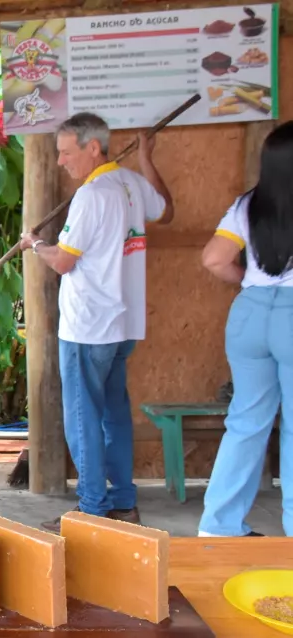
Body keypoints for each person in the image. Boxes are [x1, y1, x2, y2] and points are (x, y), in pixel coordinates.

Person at [19, 112, 174, 531]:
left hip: (88, 327)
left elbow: (65, 261)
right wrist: (146, 159)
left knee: (84, 416)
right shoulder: (132, 184)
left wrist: (35, 246)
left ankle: (91, 509)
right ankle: (123, 500)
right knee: (113, 414)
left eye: (67, 153)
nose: (61, 162)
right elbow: (167, 210)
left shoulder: (91, 195)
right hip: (122, 326)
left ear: (93, 148)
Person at [198, 121, 293, 538]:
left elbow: (214, 259)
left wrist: (250, 281)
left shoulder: (247, 205)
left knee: (245, 423)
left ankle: (218, 527)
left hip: (249, 314)